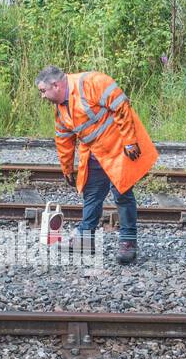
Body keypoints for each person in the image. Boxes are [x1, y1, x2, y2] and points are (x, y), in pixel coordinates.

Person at [35, 65, 159, 265]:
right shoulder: (61, 110)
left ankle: (128, 242)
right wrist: (67, 168)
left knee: (122, 193)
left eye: (43, 91)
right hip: (95, 152)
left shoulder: (91, 82)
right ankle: (85, 238)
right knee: (92, 194)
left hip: (119, 148)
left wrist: (129, 141)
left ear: (56, 85)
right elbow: (64, 140)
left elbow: (121, 106)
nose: (42, 96)